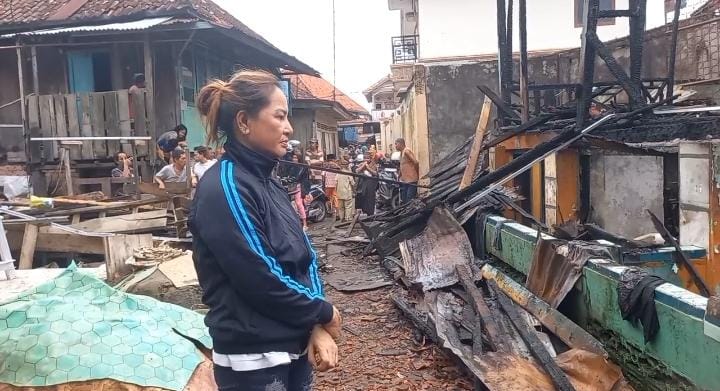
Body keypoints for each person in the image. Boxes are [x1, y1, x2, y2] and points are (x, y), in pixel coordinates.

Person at [190, 70, 341, 391]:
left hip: (291, 342)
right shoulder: (225, 186)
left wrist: (314, 322)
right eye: (280, 116)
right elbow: (259, 275)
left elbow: (304, 256)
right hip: (254, 357)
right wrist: (323, 311)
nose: (288, 128)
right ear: (244, 122)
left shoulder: (269, 182)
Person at [354, 151, 379, 216]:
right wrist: (363, 166)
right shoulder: (361, 164)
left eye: (367, 158)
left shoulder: (373, 164)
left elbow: (375, 173)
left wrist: (367, 168)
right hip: (363, 184)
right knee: (363, 196)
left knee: (370, 197)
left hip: (370, 183)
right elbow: (357, 171)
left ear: (370, 158)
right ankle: (364, 210)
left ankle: (370, 212)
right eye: (365, 158)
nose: (366, 160)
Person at [395, 138, 419, 203]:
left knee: (409, 199)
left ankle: (411, 212)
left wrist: (416, 174)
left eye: (396, 144)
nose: (395, 146)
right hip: (405, 180)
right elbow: (402, 166)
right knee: (404, 198)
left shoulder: (406, 151)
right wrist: (399, 176)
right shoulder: (401, 153)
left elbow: (416, 162)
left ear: (401, 143)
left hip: (411, 180)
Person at [323, 154, 340, 219]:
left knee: (328, 198)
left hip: (328, 184)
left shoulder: (325, 165)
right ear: (333, 159)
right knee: (335, 198)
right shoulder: (337, 166)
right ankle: (337, 213)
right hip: (335, 184)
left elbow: (323, 175)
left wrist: (323, 185)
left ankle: (331, 212)